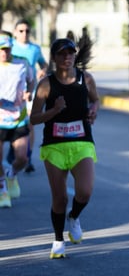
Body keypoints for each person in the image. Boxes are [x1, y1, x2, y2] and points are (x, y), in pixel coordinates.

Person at [30, 34, 100, 259]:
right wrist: (54, 111)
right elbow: (34, 119)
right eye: (62, 54)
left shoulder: (85, 78)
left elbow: (95, 100)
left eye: (70, 53)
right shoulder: (46, 85)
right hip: (54, 146)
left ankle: (74, 217)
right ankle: (58, 239)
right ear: (54, 58)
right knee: (59, 198)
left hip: (81, 143)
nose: (67, 57)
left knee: (85, 191)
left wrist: (93, 110)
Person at [0, 33, 33, 207]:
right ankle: (2, 188)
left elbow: (31, 80)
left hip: (18, 118)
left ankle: (11, 174)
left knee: (22, 158)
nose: (4, 53)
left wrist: (29, 93)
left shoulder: (22, 63)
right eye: (1, 50)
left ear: (11, 48)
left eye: (6, 49)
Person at [10, 20, 45, 173]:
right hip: (11, 93)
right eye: (21, 31)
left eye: (27, 31)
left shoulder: (35, 49)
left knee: (29, 124)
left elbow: (44, 64)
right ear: (15, 32)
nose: (24, 34)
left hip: (30, 91)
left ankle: (28, 157)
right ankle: (15, 147)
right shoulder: (8, 46)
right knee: (12, 124)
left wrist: (42, 71)